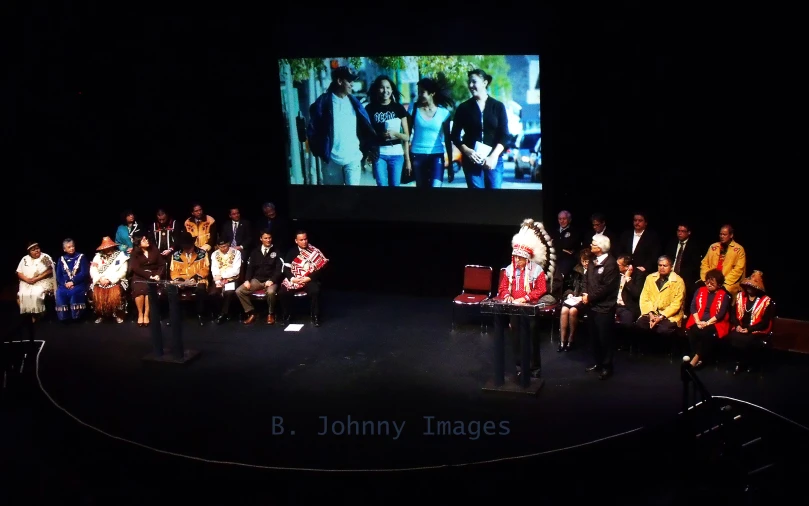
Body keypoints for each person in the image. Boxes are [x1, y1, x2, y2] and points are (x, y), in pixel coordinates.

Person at [492, 219, 553, 379]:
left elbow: (542, 289)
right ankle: (520, 366)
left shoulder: (537, 270)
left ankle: (534, 369)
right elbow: (502, 287)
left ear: (527, 258)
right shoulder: (509, 270)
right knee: (516, 339)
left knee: (532, 340)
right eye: (515, 257)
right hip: (514, 309)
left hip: (530, 309)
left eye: (520, 257)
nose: (517, 260)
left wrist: (525, 298)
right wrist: (507, 296)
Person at [307, 66, 376, 186]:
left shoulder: (355, 103)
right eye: (349, 81)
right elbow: (313, 130)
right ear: (339, 81)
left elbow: (366, 126)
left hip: (353, 157)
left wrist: (370, 148)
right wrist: (321, 152)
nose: (352, 85)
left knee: (353, 197)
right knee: (335, 198)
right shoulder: (322, 103)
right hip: (331, 159)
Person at [451, 69, 510, 189]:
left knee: (494, 198)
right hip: (472, 161)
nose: (471, 85)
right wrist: (468, 152)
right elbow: (455, 135)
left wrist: (493, 157)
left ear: (485, 83)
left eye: (474, 82)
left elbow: (504, 135)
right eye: (469, 82)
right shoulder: (464, 108)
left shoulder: (497, 106)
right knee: (477, 199)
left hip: (494, 160)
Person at [581, 235, 620, 380]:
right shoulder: (592, 260)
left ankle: (607, 367)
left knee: (605, 338)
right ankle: (598, 363)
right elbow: (586, 279)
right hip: (591, 306)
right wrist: (585, 293)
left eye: (593, 244)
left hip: (604, 308)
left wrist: (589, 297)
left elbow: (606, 288)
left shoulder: (610, 264)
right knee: (594, 337)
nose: (591, 245)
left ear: (601, 247)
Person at [727, 271, 775, 375]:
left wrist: (749, 329)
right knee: (734, 337)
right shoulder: (740, 296)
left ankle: (748, 363)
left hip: (756, 329)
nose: (749, 288)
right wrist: (738, 326)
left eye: (752, 286)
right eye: (748, 285)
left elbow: (765, 322)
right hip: (741, 327)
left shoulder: (766, 301)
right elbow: (733, 315)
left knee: (747, 340)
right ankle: (739, 363)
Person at [279, 231, 329, 326]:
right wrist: (293, 278)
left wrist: (308, 278)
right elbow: (286, 268)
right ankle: (287, 315)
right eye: (301, 240)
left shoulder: (314, 251)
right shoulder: (291, 251)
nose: (304, 242)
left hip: (309, 279)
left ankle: (315, 317)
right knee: (283, 292)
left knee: (315, 291)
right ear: (296, 241)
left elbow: (320, 269)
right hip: (295, 279)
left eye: (305, 239)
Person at [683, 269, 731, 368]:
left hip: (715, 322)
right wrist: (697, 321)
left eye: (712, 283)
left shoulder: (724, 295)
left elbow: (720, 314)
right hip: (698, 319)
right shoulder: (700, 290)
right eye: (707, 282)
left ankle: (696, 358)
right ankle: (699, 357)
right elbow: (693, 307)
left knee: (706, 333)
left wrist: (706, 323)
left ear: (719, 284)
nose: (708, 285)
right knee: (693, 331)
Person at [90, 236, 130, 324]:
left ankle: (118, 314)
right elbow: (93, 270)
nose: (109, 249)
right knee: (94, 291)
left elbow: (123, 272)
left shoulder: (121, 256)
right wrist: (100, 279)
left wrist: (110, 280)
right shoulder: (97, 257)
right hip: (100, 280)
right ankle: (101, 314)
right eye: (107, 248)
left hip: (116, 280)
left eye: (110, 247)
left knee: (117, 291)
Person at [128, 233, 165, 327]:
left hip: (154, 275)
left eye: (147, 239)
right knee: (139, 290)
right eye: (144, 240)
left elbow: (161, 265)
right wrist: (149, 276)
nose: (147, 241)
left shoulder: (154, 250)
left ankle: (146, 314)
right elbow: (136, 268)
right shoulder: (134, 253)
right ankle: (140, 314)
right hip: (139, 276)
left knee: (149, 291)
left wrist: (158, 275)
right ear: (138, 243)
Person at [17, 242, 55, 322]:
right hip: (27, 282)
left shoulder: (44, 257)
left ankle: (39, 314)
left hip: (42, 281)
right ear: (29, 252)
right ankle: (29, 313)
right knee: (21, 295)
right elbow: (19, 272)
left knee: (36, 294)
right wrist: (26, 279)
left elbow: (50, 270)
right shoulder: (25, 259)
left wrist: (37, 279)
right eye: (33, 250)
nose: (37, 251)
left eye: (37, 248)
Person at [54, 238, 91, 322]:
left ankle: (76, 316)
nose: (72, 248)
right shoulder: (61, 259)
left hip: (78, 283)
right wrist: (65, 283)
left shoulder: (81, 257)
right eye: (69, 247)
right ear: (64, 249)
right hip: (65, 284)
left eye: (73, 246)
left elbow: (84, 273)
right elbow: (59, 275)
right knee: (60, 292)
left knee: (74, 292)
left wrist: (73, 282)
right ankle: (64, 317)